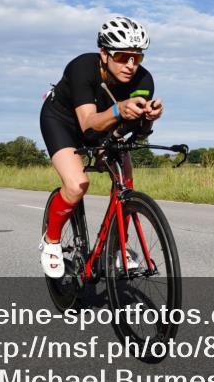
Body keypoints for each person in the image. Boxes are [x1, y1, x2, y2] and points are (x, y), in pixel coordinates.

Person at [38, 15, 163, 278]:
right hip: (64, 122)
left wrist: (147, 119)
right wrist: (119, 109)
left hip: (104, 125)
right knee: (77, 185)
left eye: (137, 57)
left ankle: (116, 247)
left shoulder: (143, 81)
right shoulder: (82, 68)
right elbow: (87, 125)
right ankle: (51, 241)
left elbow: (136, 132)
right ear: (104, 53)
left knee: (125, 181)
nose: (130, 65)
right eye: (122, 56)